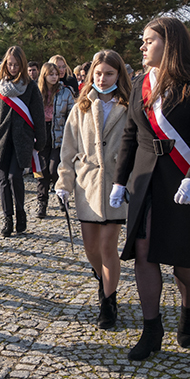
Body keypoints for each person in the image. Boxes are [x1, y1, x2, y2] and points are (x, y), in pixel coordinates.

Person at [112, 17, 190, 361]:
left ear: (170, 42)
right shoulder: (138, 82)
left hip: (183, 177)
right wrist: (120, 179)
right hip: (146, 179)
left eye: (149, 41)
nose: (143, 47)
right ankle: (152, 328)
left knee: (183, 259)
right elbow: (131, 135)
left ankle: (188, 307)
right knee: (144, 252)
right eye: (143, 41)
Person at [56, 50, 131, 329]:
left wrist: (128, 181)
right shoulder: (81, 107)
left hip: (115, 184)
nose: (102, 78)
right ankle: (103, 279)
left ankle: (108, 303)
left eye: (109, 73)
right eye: (98, 73)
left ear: (118, 75)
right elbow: (68, 150)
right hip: (87, 185)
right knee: (91, 248)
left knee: (107, 245)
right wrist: (63, 183)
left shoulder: (128, 106)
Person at [0, 46, 46, 237]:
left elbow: (38, 116)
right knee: (3, 179)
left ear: (22, 65)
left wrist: (40, 143)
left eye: (16, 65)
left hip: (22, 139)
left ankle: (21, 213)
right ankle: (8, 218)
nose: (13, 68)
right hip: (2, 139)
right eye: (10, 64)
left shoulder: (30, 87)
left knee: (15, 176)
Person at [36, 62, 75, 219]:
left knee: (54, 170)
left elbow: (72, 115)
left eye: (55, 74)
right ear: (44, 76)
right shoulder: (38, 92)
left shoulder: (65, 92)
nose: (53, 77)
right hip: (41, 134)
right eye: (50, 74)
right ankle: (42, 203)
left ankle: (61, 199)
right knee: (41, 171)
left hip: (59, 134)